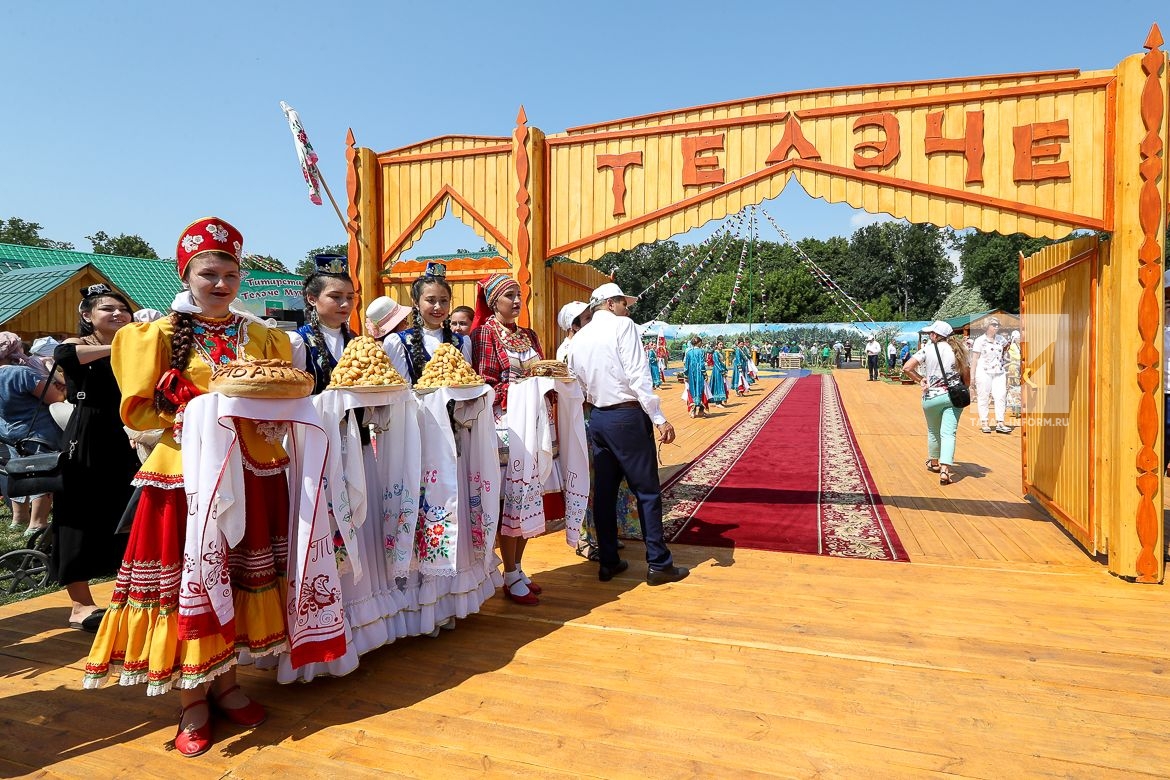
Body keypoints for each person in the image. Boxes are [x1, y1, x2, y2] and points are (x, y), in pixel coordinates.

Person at [83, 217, 315, 758]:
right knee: (191, 579)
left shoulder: (262, 335)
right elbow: (139, 410)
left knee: (237, 577)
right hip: (185, 476)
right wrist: (188, 415)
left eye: (230, 275)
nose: (220, 285)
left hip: (254, 470)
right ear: (186, 275)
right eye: (209, 274)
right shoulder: (155, 335)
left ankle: (228, 683)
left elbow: (279, 395)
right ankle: (191, 698)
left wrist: (273, 418)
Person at [567, 282, 688, 585]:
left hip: (598, 418)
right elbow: (638, 374)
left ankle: (608, 560)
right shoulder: (623, 326)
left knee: (605, 494)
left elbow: (576, 382)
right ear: (611, 303)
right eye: (625, 303)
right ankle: (658, 562)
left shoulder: (580, 338)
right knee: (647, 491)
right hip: (627, 415)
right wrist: (659, 418)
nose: (627, 308)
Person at [51, 284, 138, 632]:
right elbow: (64, 357)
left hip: (128, 435)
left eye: (123, 308)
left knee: (126, 513)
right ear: (87, 316)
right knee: (78, 515)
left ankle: (129, 593)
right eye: (107, 309)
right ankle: (79, 604)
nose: (117, 314)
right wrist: (126, 344)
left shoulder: (134, 347)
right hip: (87, 435)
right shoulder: (78, 346)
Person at [470, 273, 546, 605]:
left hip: (534, 422)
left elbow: (543, 369)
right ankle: (510, 571)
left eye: (519, 295)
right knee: (508, 499)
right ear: (493, 301)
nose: (517, 301)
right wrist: (519, 388)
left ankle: (518, 569)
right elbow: (483, 383)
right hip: (504, 423)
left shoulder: (528, 334)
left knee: (528, 494)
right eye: (509, 295)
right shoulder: (484, 334)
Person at [0, 332, 65, 536]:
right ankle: (37, 523)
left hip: (8, 431)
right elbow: (55, 398)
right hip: (37, 431)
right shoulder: (21, 374)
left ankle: (19, 519)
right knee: (41, 472)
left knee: (16, 471)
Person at [901, 320, 971, 486]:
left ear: (936, 335)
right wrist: (962, 387)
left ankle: (934, 463)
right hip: (953, 397)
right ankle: (945, 470)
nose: (930, 335)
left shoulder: (927, 349)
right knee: (949, 433)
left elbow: (906, 368)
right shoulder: (959, 349)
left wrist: (921, 380)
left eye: (931, 333)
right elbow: (967, 377)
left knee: (933, 430)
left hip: (931, 397)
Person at [289, 255, 357, 393]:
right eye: (335, 297)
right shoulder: (298, 341)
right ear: (312, 299)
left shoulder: (355, 340)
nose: (345, 304)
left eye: (350, 297)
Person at [972, 317, 1011, 434]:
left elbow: (1006, 348)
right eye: (994, 325)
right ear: (987, 326)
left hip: (999, 371)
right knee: (983, 397)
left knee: (1001, 396)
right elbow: (974, 359)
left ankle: (1000, 422)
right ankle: (984, 422)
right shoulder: (980, 340)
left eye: (998, 325)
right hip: (983, 371)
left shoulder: (1001, 339)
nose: (996, 327)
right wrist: (972, 376)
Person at [683, 336, 709, 418]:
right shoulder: (701, 351)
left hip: (691, 373)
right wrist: (705, 374)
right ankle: (701, 411)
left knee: (692, 389)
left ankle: (692, 411)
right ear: (699, 343)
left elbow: (686, 365)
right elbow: (702, 364)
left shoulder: (689, 352)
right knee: (701, 389)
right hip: (699, 374)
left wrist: (686, 375)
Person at [709, 340, 729, 407]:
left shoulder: (720, 353)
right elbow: (717, 363)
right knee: (718, 385)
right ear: (716, 345)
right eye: (720, 344)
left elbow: (722, 363)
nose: (721, 346)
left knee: (721, 385)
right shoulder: (715, 353)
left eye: (722, 344)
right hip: (717, 371)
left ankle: (719, 401)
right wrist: (722, 371)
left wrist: (725, 369)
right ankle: (717, 402)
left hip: (721, 370)